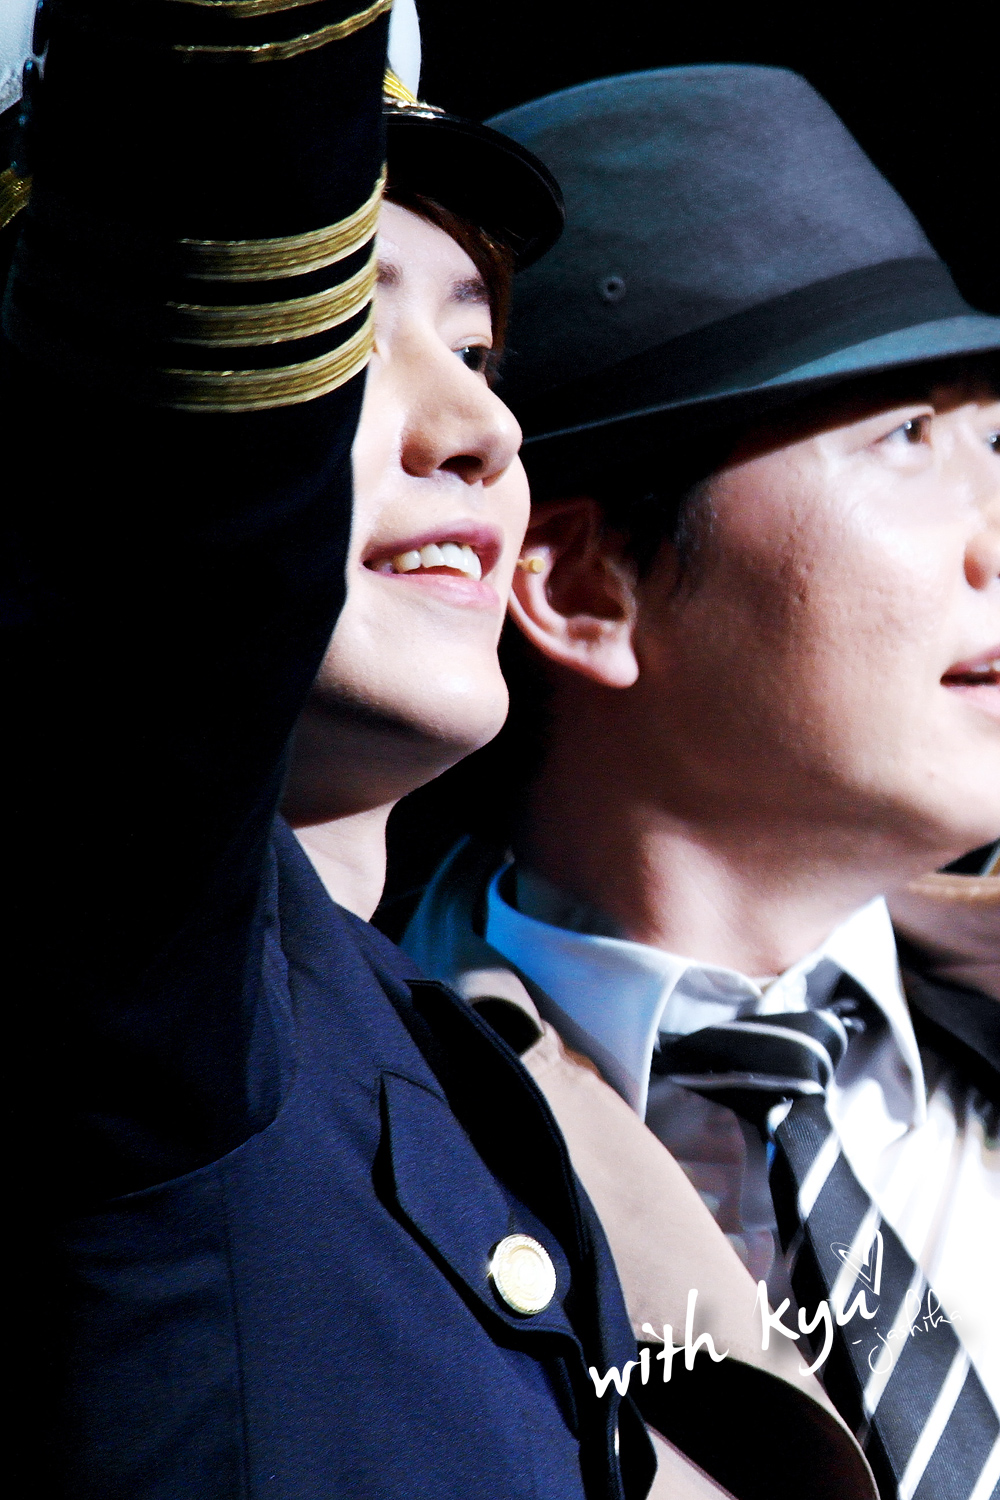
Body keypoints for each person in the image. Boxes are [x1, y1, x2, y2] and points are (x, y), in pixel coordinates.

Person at [0, 6, 658, 1496]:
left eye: (478, 347)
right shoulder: (119, 966)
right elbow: (185, 521)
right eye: (340, 329)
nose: (482, 424)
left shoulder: (418, 1041)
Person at [402, 66, 1000, 1500]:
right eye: (905, 437)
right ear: (581, 587)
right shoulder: (374, 1131)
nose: (993, 533)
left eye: (995, 438)